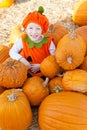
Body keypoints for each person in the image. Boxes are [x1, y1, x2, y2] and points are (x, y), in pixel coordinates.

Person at [9, 6, 56, 77]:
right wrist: (22, 60)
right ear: (26, 29)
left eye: (38, 29)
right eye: (30, 28)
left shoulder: (49, 43)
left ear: (43, 30)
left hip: (43, 73)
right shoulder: (23, 40)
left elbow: (54, 59)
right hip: (25, 71)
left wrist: (41, 66)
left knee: (38, 85)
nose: (34, 32)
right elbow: (12, 52)